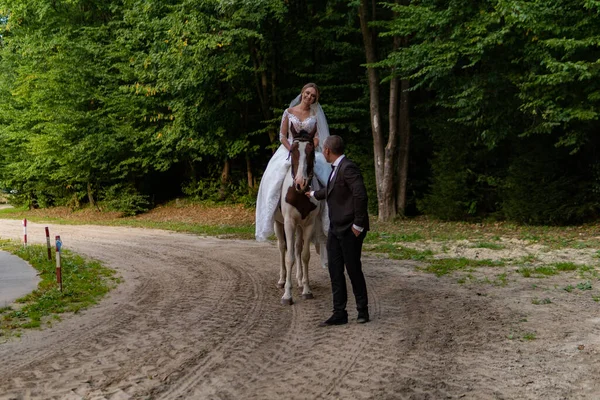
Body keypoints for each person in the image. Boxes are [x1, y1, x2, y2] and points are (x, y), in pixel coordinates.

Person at [255, 83, 331, 243]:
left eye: (313, 96)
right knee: (272, 178)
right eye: (308, 93)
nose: (309, 97)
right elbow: (282, 136)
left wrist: (311, 147)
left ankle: (324, 216)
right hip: (289, 149)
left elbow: (317, 136)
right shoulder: (289, 112)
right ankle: (271, 212)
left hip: (308, 151)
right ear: (302, 92)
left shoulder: (315, 114)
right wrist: (292, 149)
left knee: (326, 176)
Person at [307, 135, 370, 326]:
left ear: (327, 150)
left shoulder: (348, 167)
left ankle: (362, 311)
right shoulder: (337, 169)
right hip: (336, 228)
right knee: (335, 270)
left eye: (323, 150)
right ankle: (339, 313)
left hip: (351, 229)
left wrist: (358, 225)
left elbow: (360, 194)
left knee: (353, 270)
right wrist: (313, 194)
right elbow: (332, 189)